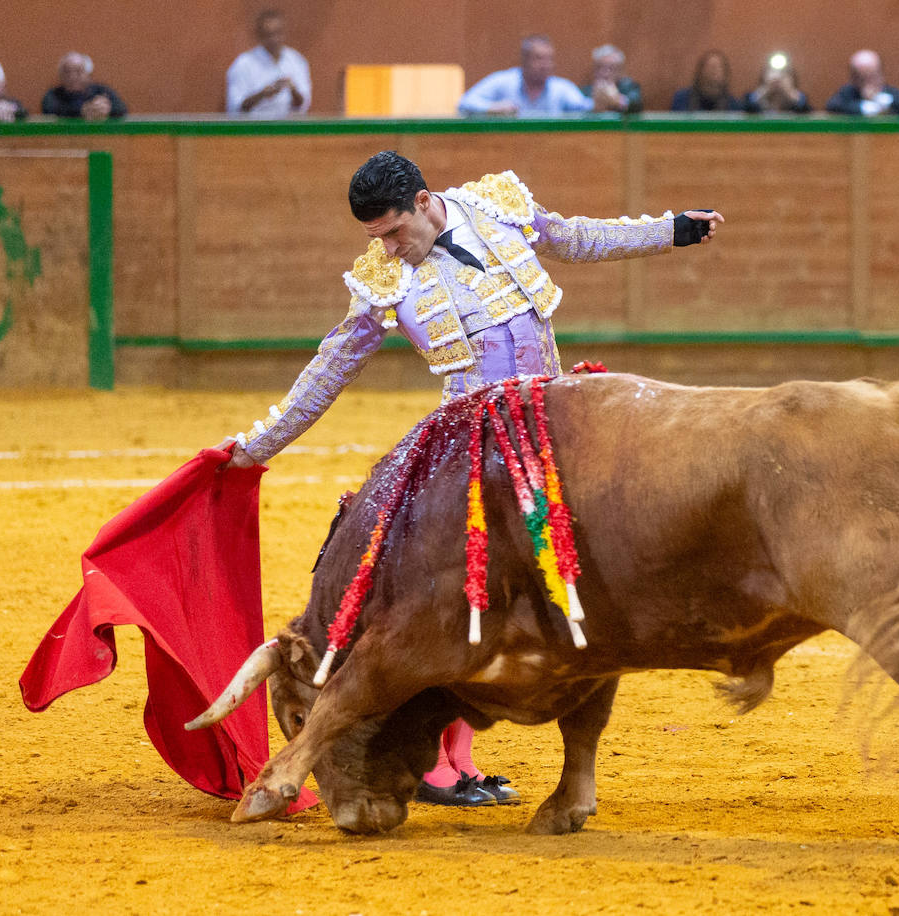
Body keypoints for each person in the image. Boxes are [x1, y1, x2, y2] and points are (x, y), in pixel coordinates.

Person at [220, 150, 724, 806]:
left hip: (551, 424)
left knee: (579, 581)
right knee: (460, 596)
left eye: (396, 232)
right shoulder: (381, 282)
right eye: (377, 238)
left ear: (426, 202)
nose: (391, 249)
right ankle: (439, 763)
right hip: (469, 451)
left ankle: (483, 758)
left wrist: (670, 230)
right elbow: (329, 369)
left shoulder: (497, 207)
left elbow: (576, 236)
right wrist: (255, 445)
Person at [457, 34, 593, 115]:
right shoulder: (503, 81)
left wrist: (601, 103)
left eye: (549, 59)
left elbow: (584, 108)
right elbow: (465, 103)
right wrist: (491, 108)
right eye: (539, 59)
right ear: (524, 60)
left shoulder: (561, 88)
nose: (545, 65)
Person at [226, 8, 311, 117]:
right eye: (269, 35)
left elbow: (303, 106)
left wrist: (292, 89)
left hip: (288, 129)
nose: (274, 39)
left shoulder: (296, 61)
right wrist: (263, 94)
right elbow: (235, 108)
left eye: (278, 33)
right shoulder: (243, 64)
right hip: (253, 129)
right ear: (259, 36)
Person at [825, 50, 899, 116]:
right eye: (862, 78)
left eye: (872, 76)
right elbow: (833, 107)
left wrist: (879, 99)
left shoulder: (892, 93)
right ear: (853, 78)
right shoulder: (847, 93)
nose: (868, 82)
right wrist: (866, 108)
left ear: (881, 75)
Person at [41, 52, 128, 120]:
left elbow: (121, 108)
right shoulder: (53, 94)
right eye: (67, 72)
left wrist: (106, 109)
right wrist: (82, 111)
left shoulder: (102, 91)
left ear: (88, 74)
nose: (73, 77)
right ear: (60, 76)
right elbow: (49, 110)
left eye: (78, 72)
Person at [670, 50, 741, 112]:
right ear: (700, 71)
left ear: (725, 74)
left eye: (718, 67)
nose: (713, 71)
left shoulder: (733, 105)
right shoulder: (682, 99)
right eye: (710, 66)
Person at [581, 44, 643, 114]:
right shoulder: (586, 91)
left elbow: (635, 105)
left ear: (620, 71)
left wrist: (616, 99)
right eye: (599, 67)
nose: (604, 73)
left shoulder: (630, 87)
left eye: (610, 68)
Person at [742, 55, 811, 113]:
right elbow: (746, 110)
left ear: (792, 79)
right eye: (772, 71)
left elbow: (806, 112)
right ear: (764, 76)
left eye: (784, 73)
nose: (778, 77)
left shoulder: (800, 98)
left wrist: (788, 93)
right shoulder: (751, 97)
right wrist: (766, 90)